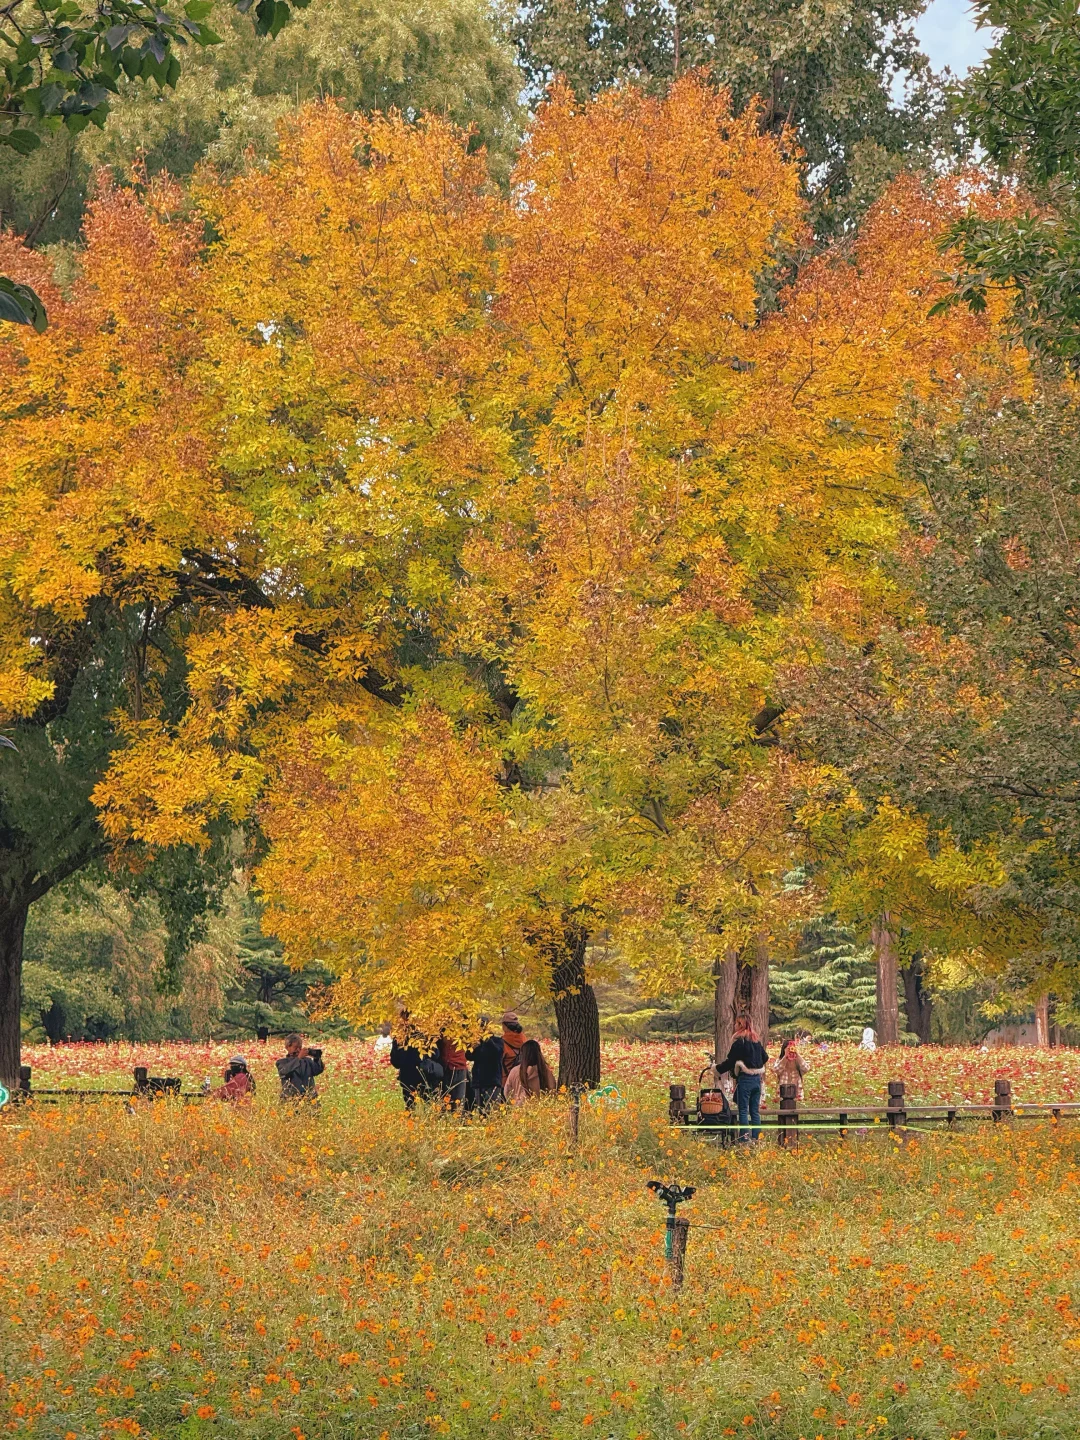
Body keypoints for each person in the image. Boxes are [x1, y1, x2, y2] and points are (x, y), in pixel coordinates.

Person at [716, 1016, 769, 1141]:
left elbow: (730, 1062)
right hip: (757, 1080)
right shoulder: (756, 1042)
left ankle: (744, 1139)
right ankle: (757, 1139)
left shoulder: (740, 1042)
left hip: (745, 1080)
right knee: (755, 1112)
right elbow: (765, 1057)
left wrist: (717, 1069)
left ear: (740, 1025)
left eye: (736, 1023)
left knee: (743, 1111)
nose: (734, 1025)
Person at [504, 1038, 557, 1104]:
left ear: (523, 1054)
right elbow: (552, 1091)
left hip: (518, 1109)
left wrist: (514, 1103)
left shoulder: (514, 1071)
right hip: (539, 1109)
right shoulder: (544, 1071)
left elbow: (507, 1091)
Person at [276, 1033, 324, 1103]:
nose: (298, 1050)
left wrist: (317, 1058)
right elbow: (284, 1072)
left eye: (300, 1047)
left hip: (309, 1100)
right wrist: (298, 1058)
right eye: (295, 1047)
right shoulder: (282, 1062)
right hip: (291, 1100)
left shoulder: (307, 1061)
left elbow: (318, 1070)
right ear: (287, 1047)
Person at [467, 1020, 505, 1110]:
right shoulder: (477, 1043)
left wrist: (487, 1039)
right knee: (481, 1112)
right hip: (479, 1082)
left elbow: (497, 1052)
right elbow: (469, 1056)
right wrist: (473, 1044)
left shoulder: (497, 1041)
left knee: (493, 1111)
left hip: (492, 1081)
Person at [438, 1033, 468, 1109]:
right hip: (446, 1068)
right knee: (444, 1101)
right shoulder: (443, 1030)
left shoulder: (464, 1030)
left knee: (458, 1101)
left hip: (459, 1068)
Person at [773, 1036, 807, 1101]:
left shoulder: (797, 1060)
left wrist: (797, 1055)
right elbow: (777, 1070)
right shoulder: (780, 1060)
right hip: (783, 1092)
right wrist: (785, 1057)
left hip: (797, 1093)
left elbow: (806, 1068)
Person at [500, 1011, 526, 1085]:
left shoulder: (502, 1042)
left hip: (506, 1081)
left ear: (504, 1026)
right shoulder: (524, 1039)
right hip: (522, 1080)